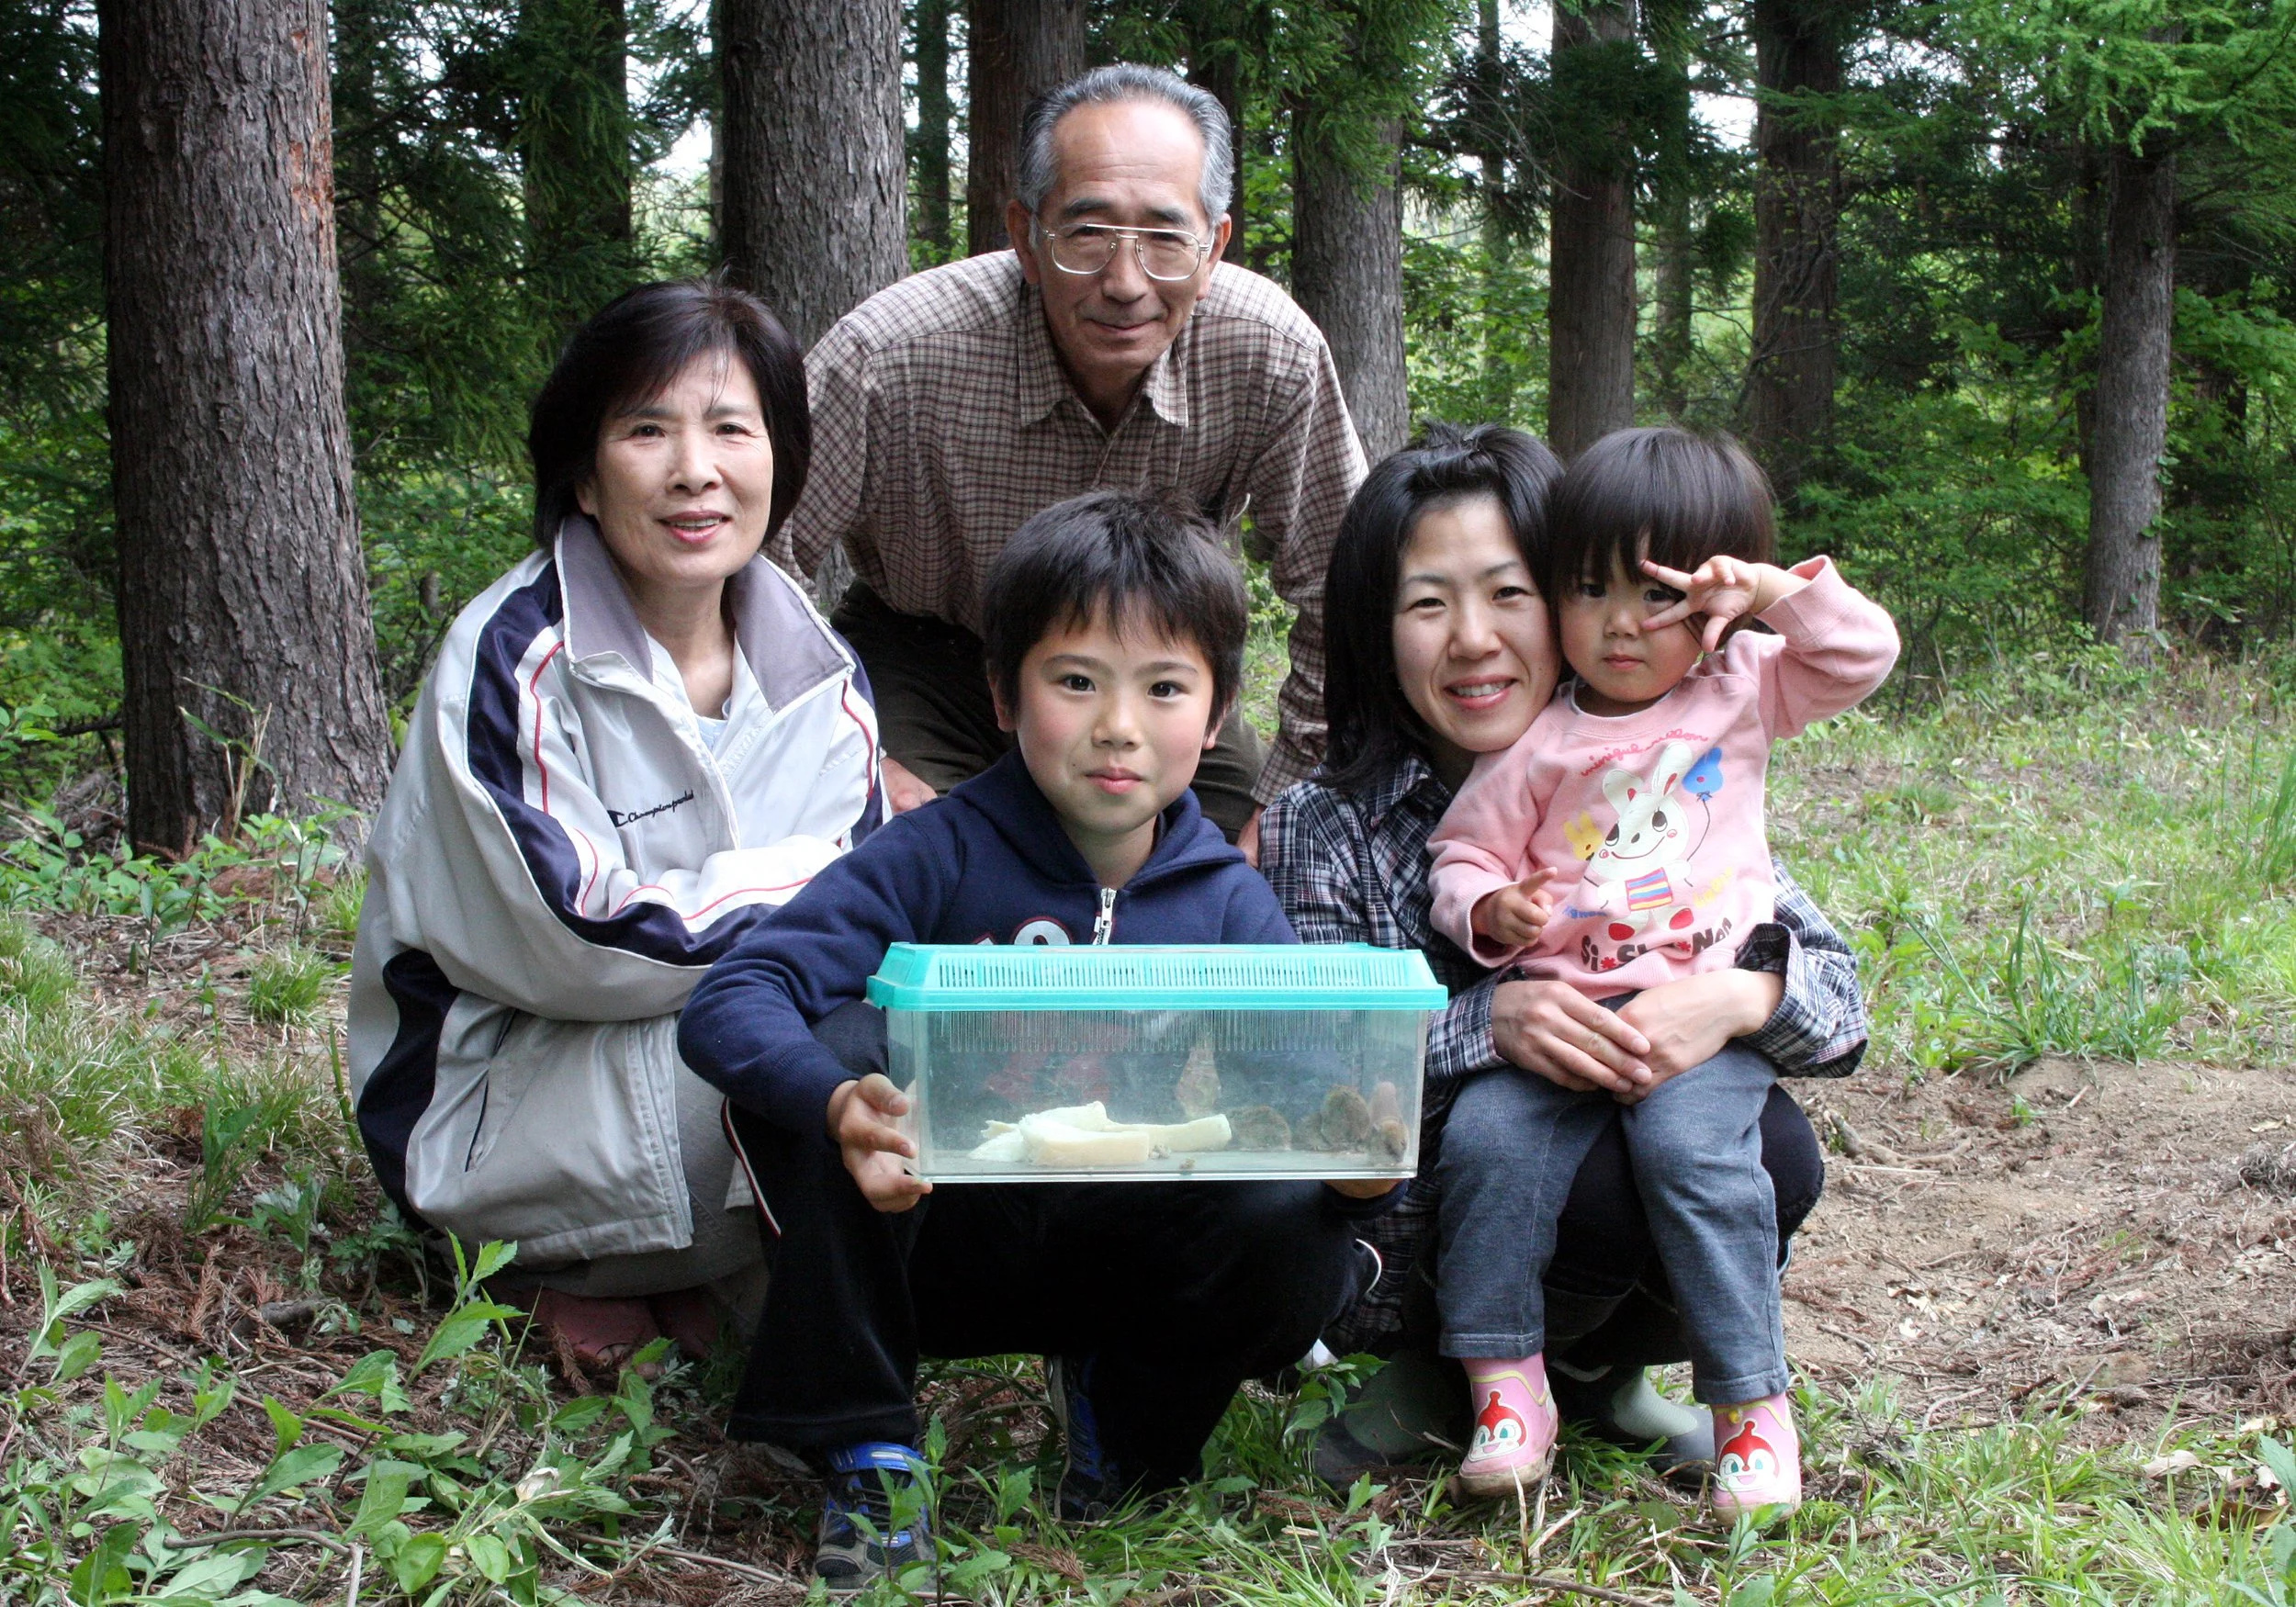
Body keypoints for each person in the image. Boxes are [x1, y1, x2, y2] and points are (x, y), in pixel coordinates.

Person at [679, 491, 1390, 1592]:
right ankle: (867, 1450)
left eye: (1163, 687)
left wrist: (1349, 1164)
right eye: (1076, 681)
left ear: (1215, 716)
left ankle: (1132, 1424)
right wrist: (835, 1102)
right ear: (1004, 695)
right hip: (933, 1242)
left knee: (1291, 1212)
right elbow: (739, 995)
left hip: (1123, 1253)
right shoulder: (938, 852)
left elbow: (1293, 1087)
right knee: (851, 1047)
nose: (1119, 725)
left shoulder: (1222, 898)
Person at [1256, 424, 1871, 1495]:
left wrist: (1738, 993)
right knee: (1534, 1145)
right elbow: (1314, 1078)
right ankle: (1450, 1373)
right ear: (1374, 628)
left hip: (1643, 1118)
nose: (1473, 640)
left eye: (1508, 594)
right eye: (1426, 604)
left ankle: (1599, 1368)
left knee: (1763, 1147)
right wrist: (1483, 1026)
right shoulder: (1324, 822)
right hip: (1413, 1235)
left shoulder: (1662, 754)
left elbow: (1840, 1008)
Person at [347, 280, 881, 1370]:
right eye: (648, 430)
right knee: (842, 1067)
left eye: (733, 428)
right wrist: (814, 892)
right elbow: (582, 942)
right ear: (585, 477)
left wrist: (832, 913)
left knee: (899, 1050)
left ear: (778, 459)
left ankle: (691, 1280)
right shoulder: (512, 658)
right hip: (499, 1096)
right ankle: (568, 1268)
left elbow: (869, 923)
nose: (697, 469)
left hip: (680, 1067)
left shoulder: (819, 674)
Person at [1421, 428, 1898, 1513]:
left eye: (1658, 595)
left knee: (1699, 1157)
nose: (1622, 623)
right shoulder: (1536, 741)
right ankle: (1506, 1386)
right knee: (1489, 1148)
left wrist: (1777, 592)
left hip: (1702, 1012)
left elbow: (1860, 655)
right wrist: (1490, 907)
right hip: (1566, 1014)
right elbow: (1463, 853)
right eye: (1589, 591)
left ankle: (1750, 1410)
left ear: (1711, 604)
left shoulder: (1742, 686)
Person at [772, 62, 1367, 852]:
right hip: (932, 659)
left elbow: (1345, 589)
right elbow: (758, 564)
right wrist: (849, 756)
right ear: (1026, 235)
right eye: (1087, 234)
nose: (1125, 283)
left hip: (1152, 666)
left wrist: (1282, 803)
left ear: (1214, 243)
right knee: (916, 861)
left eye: (1164, 237)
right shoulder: (893, 356)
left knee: (1232, 869)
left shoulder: (1269, 352)